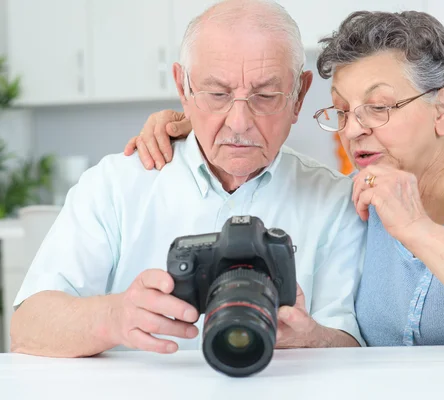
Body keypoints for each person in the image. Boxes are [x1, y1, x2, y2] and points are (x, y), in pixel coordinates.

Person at [128, 9, 444, 347]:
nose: (353, 129)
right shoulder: (366, 192)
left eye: (378, 107)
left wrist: (416, 229)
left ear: (442, 109)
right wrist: (198, 123)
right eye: (342, 112)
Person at [10, 0, 366, 358]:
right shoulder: (115, 185)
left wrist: (312, 337)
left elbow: (351, 343)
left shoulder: (335, 200)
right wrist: (114, 316)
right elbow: (27, 328)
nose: (239, 122)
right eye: (217, 94)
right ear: (183, 87)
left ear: (299, 96)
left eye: (265, 95)